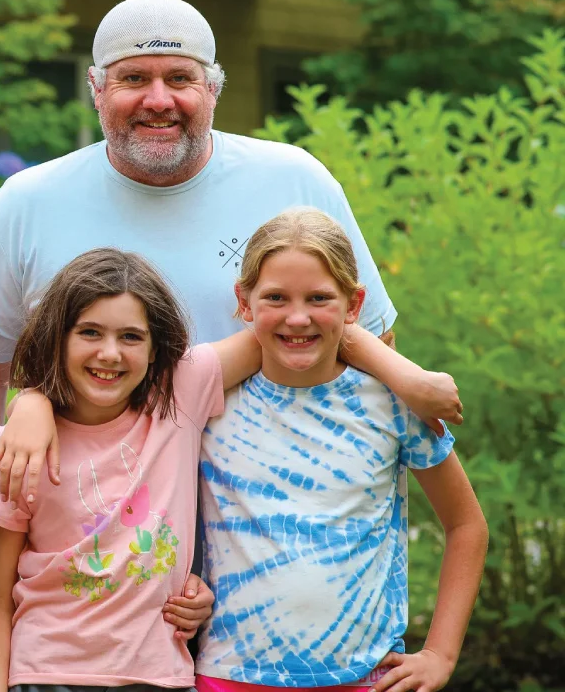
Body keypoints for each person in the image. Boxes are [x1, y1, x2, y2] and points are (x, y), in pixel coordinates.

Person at [0, 0, 461, 437]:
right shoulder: (28, 200)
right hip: (91, 520)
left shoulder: (293, 180)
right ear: (96, 89)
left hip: (264, 508)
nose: (158, 99)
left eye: (180, 78)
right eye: (132, 78)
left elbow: (367, 336)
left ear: (213, 89)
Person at [194, 209, 487, 692]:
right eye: (275, 298)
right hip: (229, 676)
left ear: (354, 304)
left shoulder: (393, 404)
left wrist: (440, 653)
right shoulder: (209, 408)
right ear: (243, 303)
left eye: (319, 299)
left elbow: (467, 525)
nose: (297, 317)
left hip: (365, 677)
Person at [0, 249, 261, 692]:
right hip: (47, 676)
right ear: (58, 338)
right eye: (89, 332)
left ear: (155, 351)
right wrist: (31, 400)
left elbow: (285, 327)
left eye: (131, 337)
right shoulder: (16, 448)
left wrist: (402, 375)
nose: (109, 353)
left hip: (160, 677)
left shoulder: (179, 397)